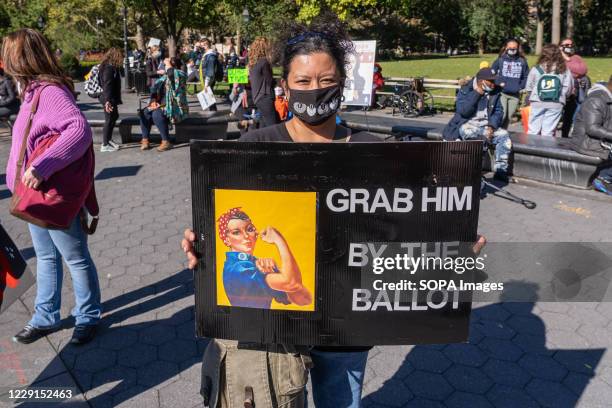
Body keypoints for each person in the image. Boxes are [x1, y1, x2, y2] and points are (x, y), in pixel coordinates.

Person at [183, 13, 487, 408]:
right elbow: (222, 213)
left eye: (326, 81)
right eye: (304, 82)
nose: (315, 90)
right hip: (279, 326)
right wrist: (200, 243)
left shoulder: (374, 152)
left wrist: (451, 254)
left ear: (342, 85)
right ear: (285, 87)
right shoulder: (254, 148)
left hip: (348, 323)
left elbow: (402, 227)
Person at [3, 29, 101, 345]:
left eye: (7, 54)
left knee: (74, 257)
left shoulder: (50, 92)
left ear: (21, 57)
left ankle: (88, 316)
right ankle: (45, 317)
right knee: (47, 257)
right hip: (35, 195)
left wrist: (41, 167)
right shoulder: (32, 92)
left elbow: (79, 130)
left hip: (50, 193)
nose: (3, 60)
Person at [217, 208, 312, 308]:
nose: (246, 236)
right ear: (227, 240)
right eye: (236, 232)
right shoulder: (238, 268)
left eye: (249, 229)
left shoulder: (256, 264)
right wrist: (279, 240)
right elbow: (292, 284)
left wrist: (276, 272)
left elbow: (304, 299)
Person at [442, 67, 512, 181]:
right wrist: (477, 94)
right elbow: (463, 112)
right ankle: (474, 173)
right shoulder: (465, 90)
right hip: (466, 124)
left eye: (494, 81)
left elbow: (499, 112)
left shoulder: (495, 92)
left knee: (504, 136)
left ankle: (500, 171)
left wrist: (491, 126)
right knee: (475, 137)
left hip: (485, 126)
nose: (494, 84)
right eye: (491, 81)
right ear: (481, 81)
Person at [570, 76, 612, 195]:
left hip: (602, 140)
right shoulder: (596, 100)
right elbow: (592, 129)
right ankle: (603, 178)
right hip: (588, 142)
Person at [524, 43, 573, 137]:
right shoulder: (564, 69)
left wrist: (533, 95)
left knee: (533, 130)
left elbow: (529, 86)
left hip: (537, 101)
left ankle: (530, 150)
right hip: (556, 102)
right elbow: (568, 87)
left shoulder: (536, 68)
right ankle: (545, 150)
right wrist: (563, 96)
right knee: (548, 132)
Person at [492, 39, 529, 128]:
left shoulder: (522, 61)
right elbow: (492, 73)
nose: (512, 49)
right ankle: (495, 133)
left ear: (518, 48)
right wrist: (499, 83)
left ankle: (503, 134)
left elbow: (526, 76)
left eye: (514, 48)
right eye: (510, 47)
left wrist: (520, 87)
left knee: (508, 117)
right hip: (502, 93)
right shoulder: (500, 60)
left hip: (515, 95)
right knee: (502, 115)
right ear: (506, 48)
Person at [139, 58, 172, 152]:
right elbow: (154, 94)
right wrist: (153, 101)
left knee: (156, 114)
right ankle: (145, 139)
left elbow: (173, 97)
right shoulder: (160, 80)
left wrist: (161, 105)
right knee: (144, 112)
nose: (162, 71)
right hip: (159, 103)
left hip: (169, 105)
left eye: (165, 68)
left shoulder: (175, 76)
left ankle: (166, 141)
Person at [559, 38, 590, 138]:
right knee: (562, 116)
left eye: (571, 45)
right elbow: (561, 69)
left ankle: (571, 137)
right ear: (560, 46)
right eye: (566, 45)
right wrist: (566, 59)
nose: (569, 47)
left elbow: (583, 69)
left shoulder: (576, 57)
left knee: (574, 116)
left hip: (577, 92)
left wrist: (568, 61)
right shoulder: (557, 58)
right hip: (563, 92)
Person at [248, 37, 279, 128]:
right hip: (265, 97)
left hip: (257, 98)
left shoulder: (253, 63)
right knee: (272, 125)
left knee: (263, 125)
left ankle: (258, 142)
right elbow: (270, 81)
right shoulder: (264, 62)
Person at [98, 48, 123, 152]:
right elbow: (107, 84)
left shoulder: (107, 66)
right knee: (109, 119)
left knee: (114, 116)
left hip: (110, 97)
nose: (121, 58)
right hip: (108, 98)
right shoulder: (108, 68)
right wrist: (107, 101)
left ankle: (109, 139)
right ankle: (105, 144)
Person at [199, 39, 219, 111]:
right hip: (206, 78)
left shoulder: (210, 55)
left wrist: (206, 84)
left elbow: (210, 70)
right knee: (210, 97)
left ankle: (214, 114)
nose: (203, 47)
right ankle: (213, 112)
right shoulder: (207, 54)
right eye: (202, 45)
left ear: (208, 44)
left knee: (210, 97)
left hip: (208, 79)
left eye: (204, 45)